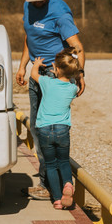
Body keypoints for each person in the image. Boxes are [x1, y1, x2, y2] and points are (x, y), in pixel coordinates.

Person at [15, 0, 85, 200]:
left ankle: (51, 185)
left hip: (52, 76)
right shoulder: (28, 6)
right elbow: (29, 37)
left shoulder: (60, 12)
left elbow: (77, 48)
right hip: (37, 73)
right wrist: (22, 66)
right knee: (36, 126)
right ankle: (52, 180)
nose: (36, 2)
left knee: (47, 128)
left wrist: (79, 74)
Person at [29, 48, 82, 209]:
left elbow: (33, 75)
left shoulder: (47, 82)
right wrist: (68, 72)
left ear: (56, 69)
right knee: (64, 161)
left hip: (44, 129)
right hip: (62, 130)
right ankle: (67, 184)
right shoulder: (72, 88)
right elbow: (73, 81)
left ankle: (58, 200)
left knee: (51, 164)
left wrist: (37, 64)